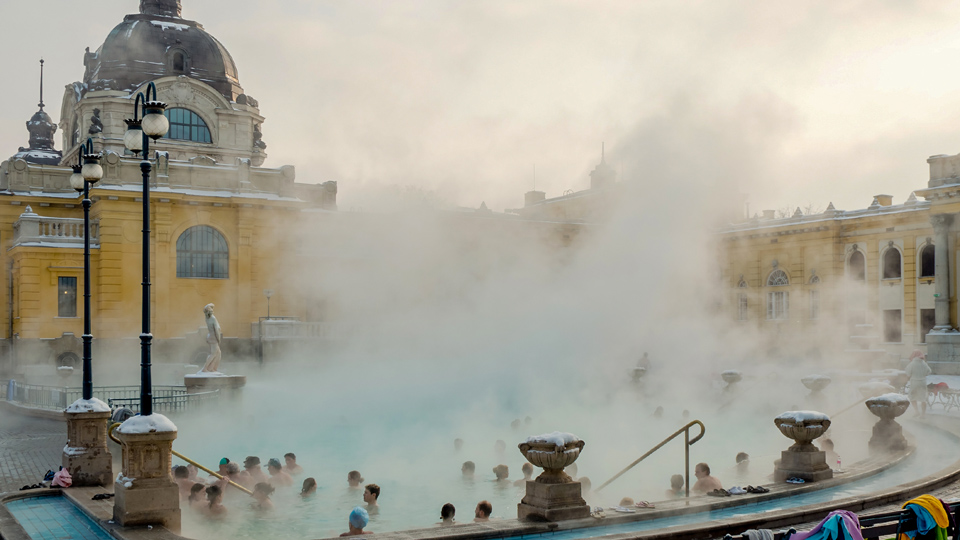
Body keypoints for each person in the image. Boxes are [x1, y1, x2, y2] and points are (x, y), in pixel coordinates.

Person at [905, 350, 933, 417]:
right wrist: (923, 374)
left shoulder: (912, 363)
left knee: (912, 397)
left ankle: (916, 411)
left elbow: (908, 374)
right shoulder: (924, 363)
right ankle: (923, 414)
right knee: (923, 398)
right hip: (922, 382)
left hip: (914, 382)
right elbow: (929, 371)